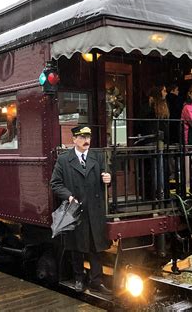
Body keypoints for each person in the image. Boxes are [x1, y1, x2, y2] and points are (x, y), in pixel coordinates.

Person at [50, 126, 112, 294]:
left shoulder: (97, 157)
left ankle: (96, 281)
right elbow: (55, 184)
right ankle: (79, 279)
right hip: (76, 210)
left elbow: (105, 176)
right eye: (83, 137)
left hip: (94, 211)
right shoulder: (64, 160)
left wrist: (108, 178)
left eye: (88, 137)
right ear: (74, 140)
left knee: (95, 247)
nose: (87, 140)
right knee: (77, 247)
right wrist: (69, 197)